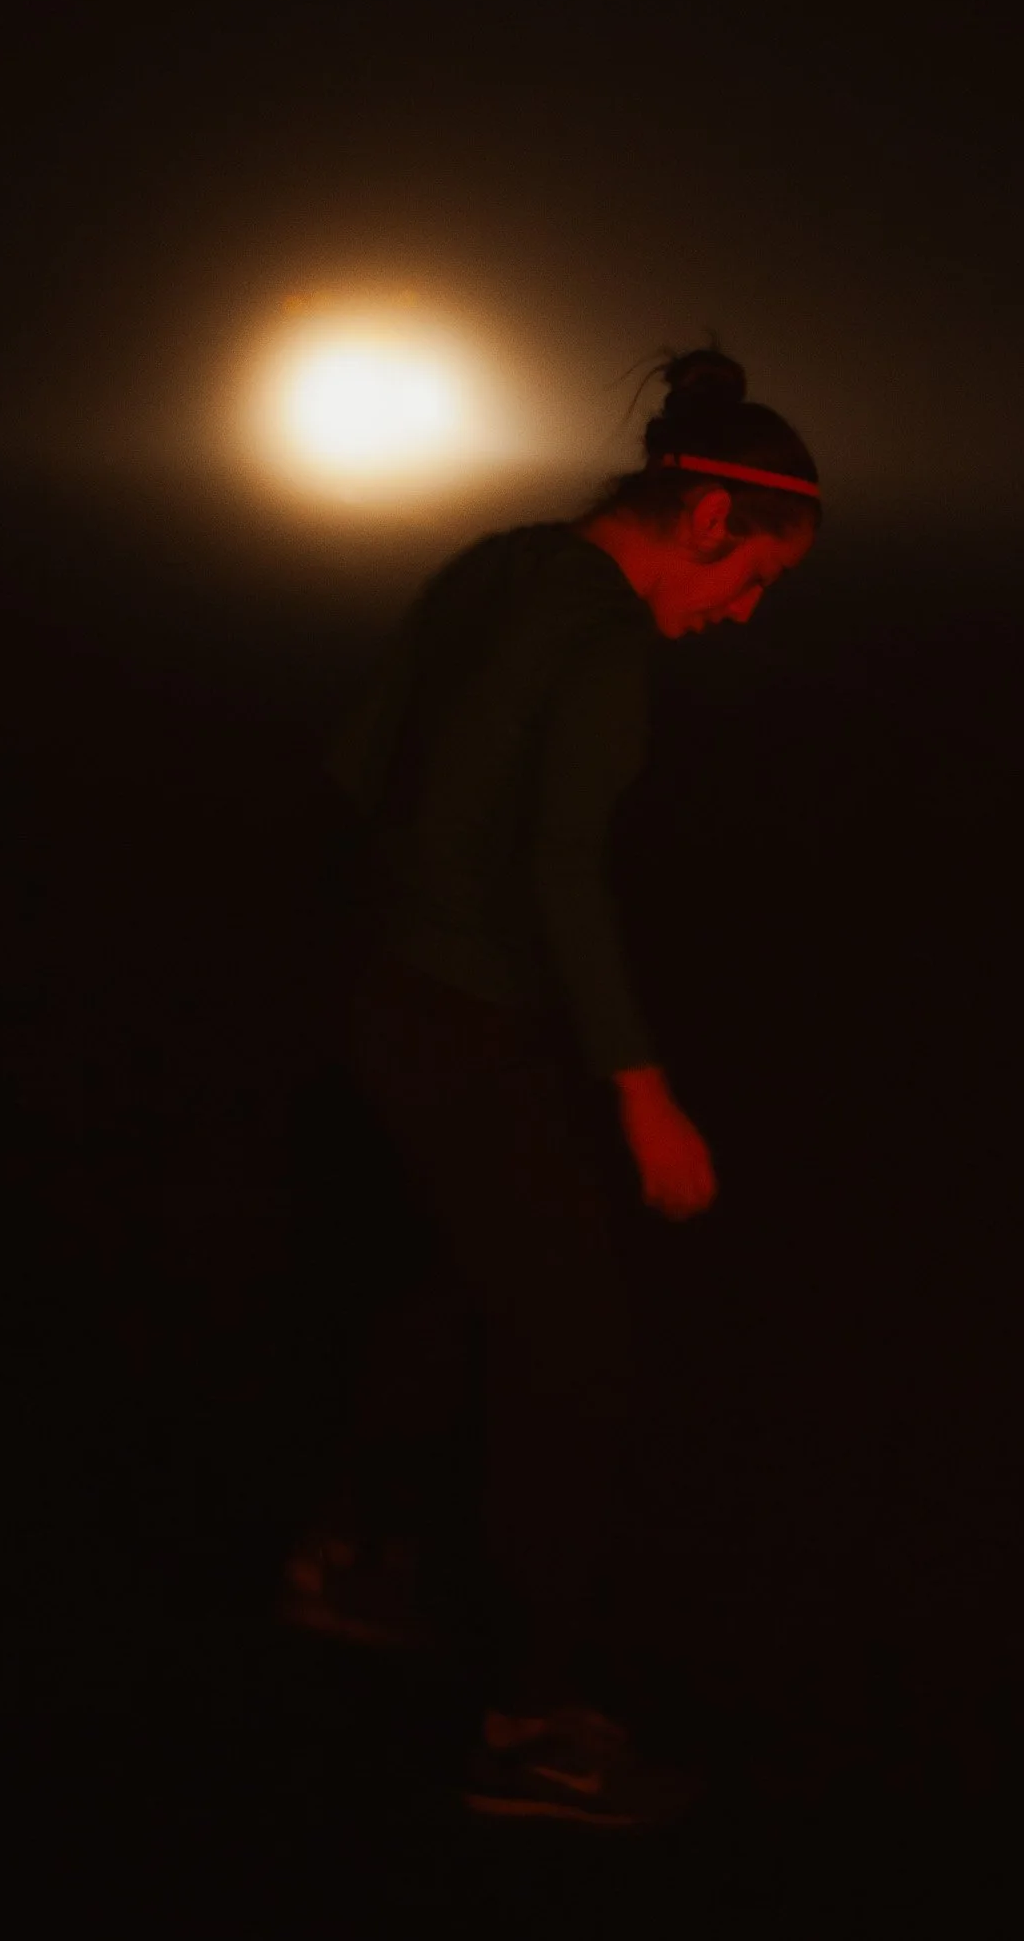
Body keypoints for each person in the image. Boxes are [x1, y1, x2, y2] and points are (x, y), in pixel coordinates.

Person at [277, 345, 819, 1825]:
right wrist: (640, 1087)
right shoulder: (601, 642)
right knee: (576, 1351)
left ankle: (348, 1557)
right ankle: (530, 1726)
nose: (739, 613)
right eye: (755, 576)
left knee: (444, 1272)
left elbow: (354, 759)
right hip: (465, 1019)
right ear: (706, 519)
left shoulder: (491, 566)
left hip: (377, 995)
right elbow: (567, 876)